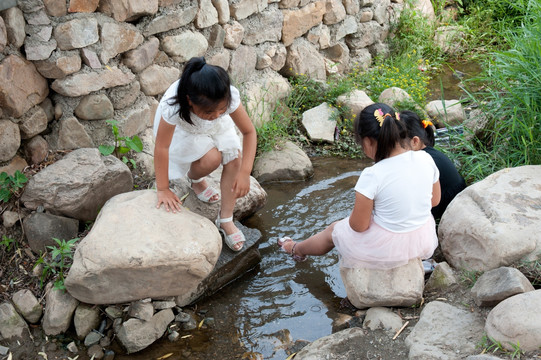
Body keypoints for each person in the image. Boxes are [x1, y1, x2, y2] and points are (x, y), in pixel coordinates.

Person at [278, 103, 441, 270]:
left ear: (368, 142)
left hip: (388, 250)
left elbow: (358, 226)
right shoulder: (425, 158)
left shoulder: (372, 174)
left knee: (334, 230)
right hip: (423, 239)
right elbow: (434, 201)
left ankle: (296, 249)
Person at [153, 57, 257, 252]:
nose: (217, 114)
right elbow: (161, 147)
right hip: (184, 132)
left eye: (222, 109)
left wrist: (245, 173)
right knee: (212, 159)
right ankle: (196, 179)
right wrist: (163, 189)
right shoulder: (173, 106)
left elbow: (249, 132)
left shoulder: (223, 100)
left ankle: (225, 219)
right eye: (210, 110)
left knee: (234, 156)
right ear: (190, 101)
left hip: (213, 128)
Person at [401, 110, 466, 220]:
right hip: (455, 200)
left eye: (396, 145)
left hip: (447, 208)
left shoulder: (421, 160)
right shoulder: (428, 153)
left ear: (415, 142)